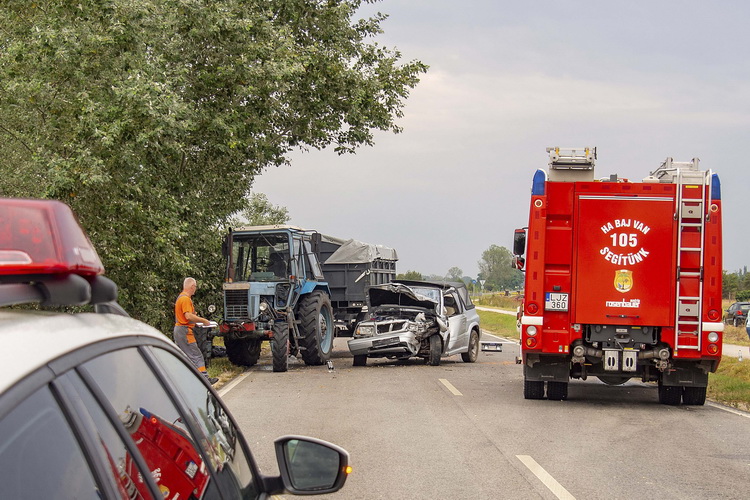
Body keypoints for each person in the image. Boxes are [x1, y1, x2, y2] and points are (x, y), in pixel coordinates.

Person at [174, 277, 218, 384]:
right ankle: (204, 379)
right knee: (196, 355)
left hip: (179, 330)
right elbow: (188, 316)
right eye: (195, 286)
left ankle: (181, 379)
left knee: (182, 355)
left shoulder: (180, 297)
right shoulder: (185, 299)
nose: (196, 289)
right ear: (192, 286)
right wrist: (204, 321)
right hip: (185, 331)